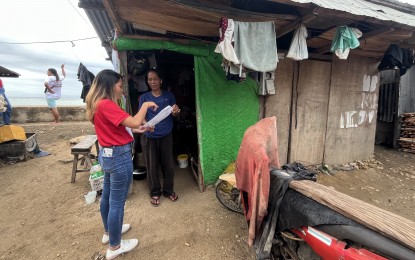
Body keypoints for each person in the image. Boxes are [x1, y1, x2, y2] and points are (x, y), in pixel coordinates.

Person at [85, 69, 158, 260]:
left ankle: (109, 232)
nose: (121, 89)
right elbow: (134, 120)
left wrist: (139, 128)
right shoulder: (107, 104)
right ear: (110, 86)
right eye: (119, 86)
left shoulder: (97, 104)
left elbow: (122, 127)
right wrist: (146, 104)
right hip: (118, 157)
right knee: (117, 203)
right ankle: (115, 246)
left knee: (108, 197)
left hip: (107, 154)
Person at [138, 67, 181, 207]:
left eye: (155, 79)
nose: (153, 82)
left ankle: (168, 191)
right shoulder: (144, 98)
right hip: (149, 136)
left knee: (168, 164)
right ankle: (155, 192)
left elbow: (175, 114)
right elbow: (141, 117)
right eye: (150, 79)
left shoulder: (169, 96)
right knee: (151, 165)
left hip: (166, 134)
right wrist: (147, 124)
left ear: (161, 80)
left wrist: (176, 111)